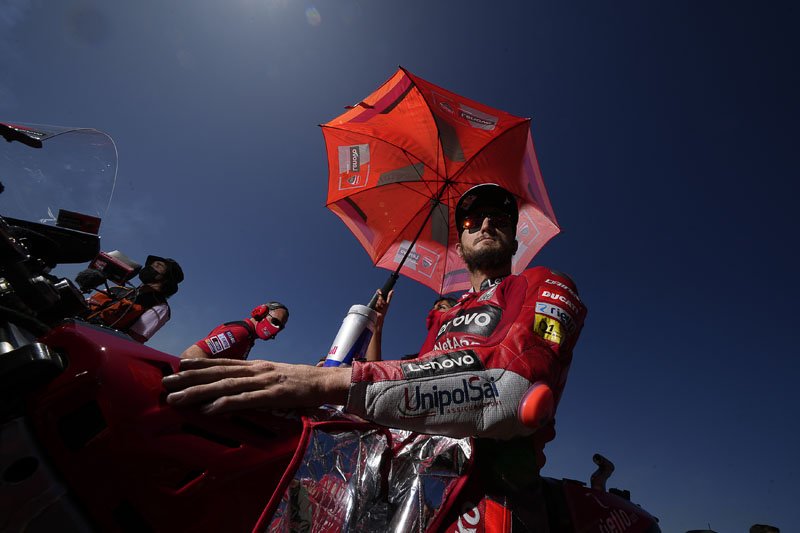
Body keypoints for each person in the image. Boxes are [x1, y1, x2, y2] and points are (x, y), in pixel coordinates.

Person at [163, 183, 587, 529]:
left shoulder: (545, 283)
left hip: (493, 492)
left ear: (515, 238)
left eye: (500, 218)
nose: (487, 224)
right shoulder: (445, 316)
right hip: (399, 479)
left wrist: (326, 382)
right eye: (472, 220)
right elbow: (412, 385)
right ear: (460, 244)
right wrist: (330, 381)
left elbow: (510, 392)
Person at [86, 255, 184, 343]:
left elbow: (133, 340)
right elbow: (84, 304)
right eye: (151, 265)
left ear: (166, 279)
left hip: (97, 343)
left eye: (158, 266)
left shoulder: (160, 307)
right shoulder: (117, 289)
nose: (150, 268)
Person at [179, 302, 289, 360]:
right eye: (275, 321)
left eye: (280, 327)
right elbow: (190, 355)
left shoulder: (248, 338)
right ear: (262, 312)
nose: (276, 329)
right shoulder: (241, 332)